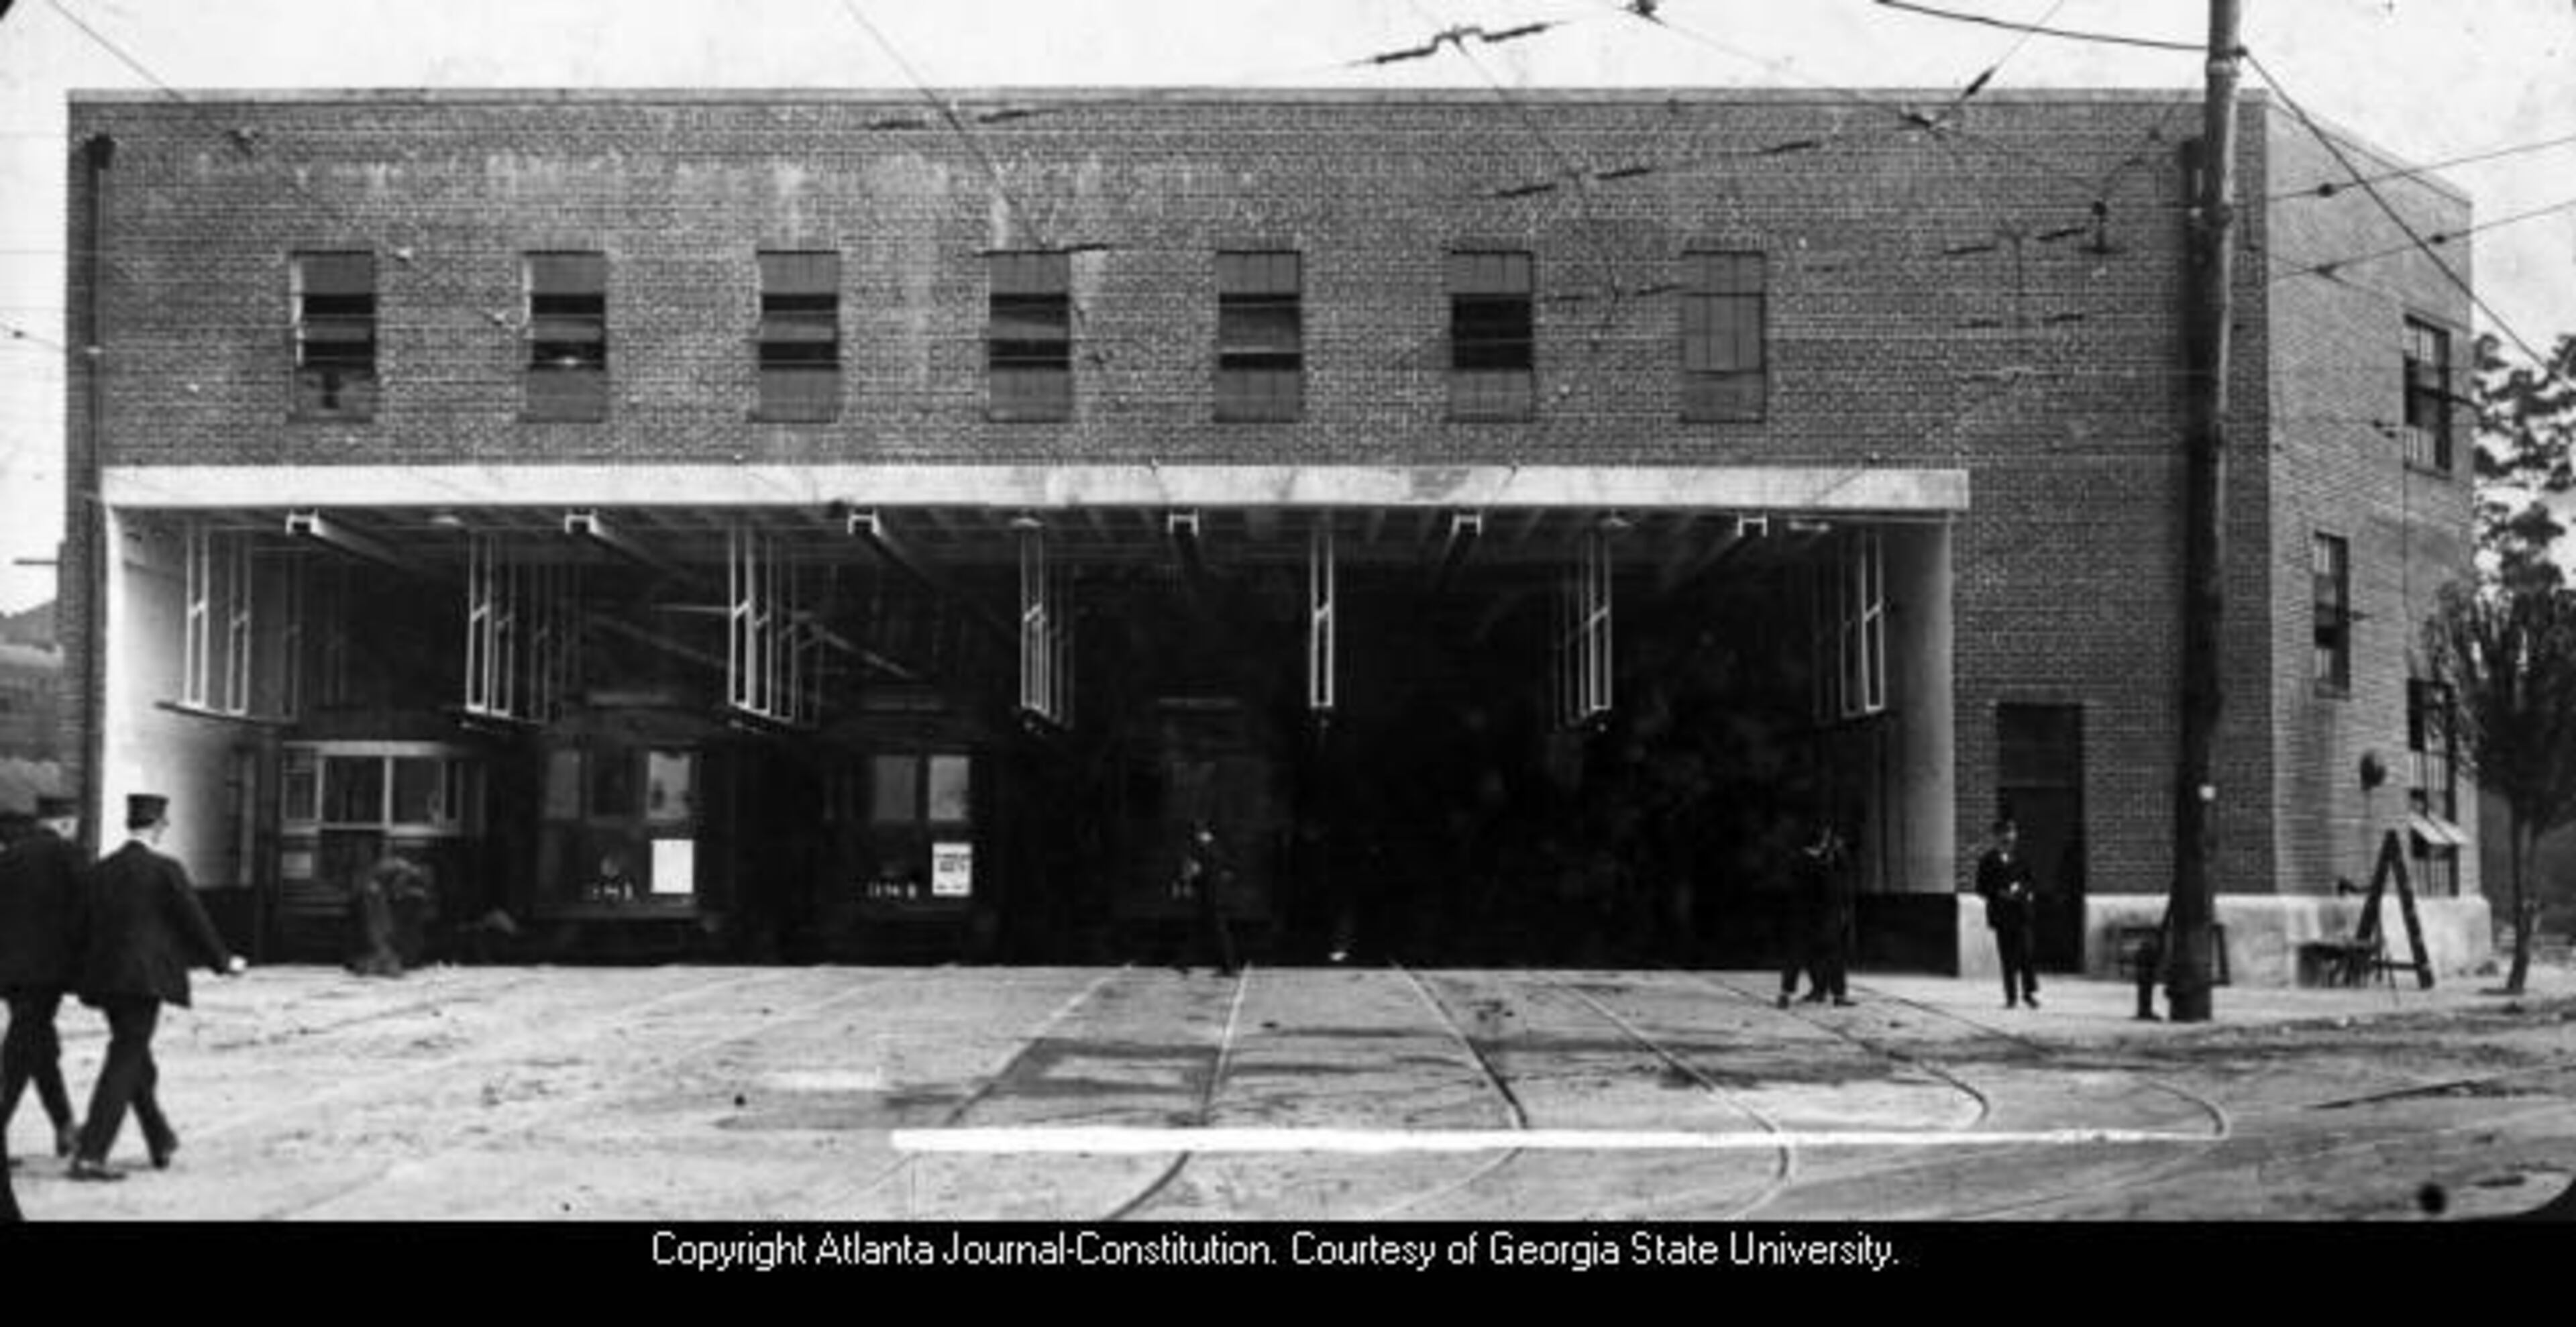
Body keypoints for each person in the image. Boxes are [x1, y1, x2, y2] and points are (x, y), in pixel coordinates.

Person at [67, 794, 246, 1182]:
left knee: (135, 1057)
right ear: (158, 826)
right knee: (126, 1057)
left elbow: (81, 928)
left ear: (130, 824)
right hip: (144, 981)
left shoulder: (101, 871)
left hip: (106, 980)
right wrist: (223, 961)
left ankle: (159, 1137)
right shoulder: (166, 869)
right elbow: (194, 920)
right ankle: (91, 1154)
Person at [3, 796, 87, 1168]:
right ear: (67, 822)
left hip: (8, 972)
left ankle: (66, 1127)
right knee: (21, 1051)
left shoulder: (11, 855)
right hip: (47, 971)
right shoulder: (68, 855)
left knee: (39, 1046)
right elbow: (86, 910)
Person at [1778, 820, 1856, 1008]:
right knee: (1833, 955)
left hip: (1802, 917)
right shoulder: (1821, 866)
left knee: (1798, 956)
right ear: (1821, 842)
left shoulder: (1797, 861)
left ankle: (1787, 993)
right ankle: (1839, 995)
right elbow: (1835, 888)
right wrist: (1840, 856)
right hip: (1824, 917)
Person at [1976, 816, 2041, 1009]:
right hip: (2002, 915)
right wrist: (1999, 893)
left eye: (2012, 833)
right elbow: (1980, 888)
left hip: (2022, 913)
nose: (2009, 837)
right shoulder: (1987, 861)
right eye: (2004, 833)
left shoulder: (2023, 857)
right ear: (1996, 837)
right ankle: (2011, 997)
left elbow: (2032, 882)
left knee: (2027, 955)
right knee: (2008, 958)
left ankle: (2029, 994)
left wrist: (2022, 890)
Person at [1176, 820, 1238, 977]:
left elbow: (1195, 871)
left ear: (1199, 834)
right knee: (1209, 932)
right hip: (1217, 896)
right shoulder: (1218, 847)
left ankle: (1228, 967)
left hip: (1210, 898)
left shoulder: (1203, 850)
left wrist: (1187, 883)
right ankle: (1186, 962)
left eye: (1196, 835)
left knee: (1216, 933)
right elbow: (1228, 873)